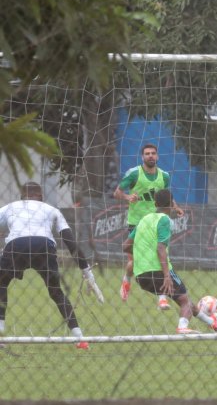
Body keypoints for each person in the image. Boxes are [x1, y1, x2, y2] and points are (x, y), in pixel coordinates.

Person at [0, 182, 101, 349]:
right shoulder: (51, 209)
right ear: (41, 197)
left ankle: (1, 336)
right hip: (44, 246)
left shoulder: (10, 207)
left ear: (21, 196)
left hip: (17, 246)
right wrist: (87, 271)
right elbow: (70, 241)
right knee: (56, 292)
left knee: (1, 284)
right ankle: (80, 338)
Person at [129, 189, 217, 334]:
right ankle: (182, 327)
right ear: (171, 204)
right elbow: (160, 249)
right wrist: (166, 276)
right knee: (185, 301)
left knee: (183, 298)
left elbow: (126, 246)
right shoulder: (164, 220)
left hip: (140, 276)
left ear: (155, 203)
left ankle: (212, 322)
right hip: (159, 271)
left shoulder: (144, 220)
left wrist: (142, 255)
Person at [114, 143, 182, 307]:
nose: (150, 156)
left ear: (157, 156)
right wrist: (128, 197)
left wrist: (176, 206)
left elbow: (166, 195)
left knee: (160, 255)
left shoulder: (164, 176)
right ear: (142, 157)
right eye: (147, 154)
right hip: (137, 223)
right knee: (136, 261)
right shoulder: (134, 174)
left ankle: (162, 297)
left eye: (153, 153)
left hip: (155, 222)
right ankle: (127, 279)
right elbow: (117, 193)